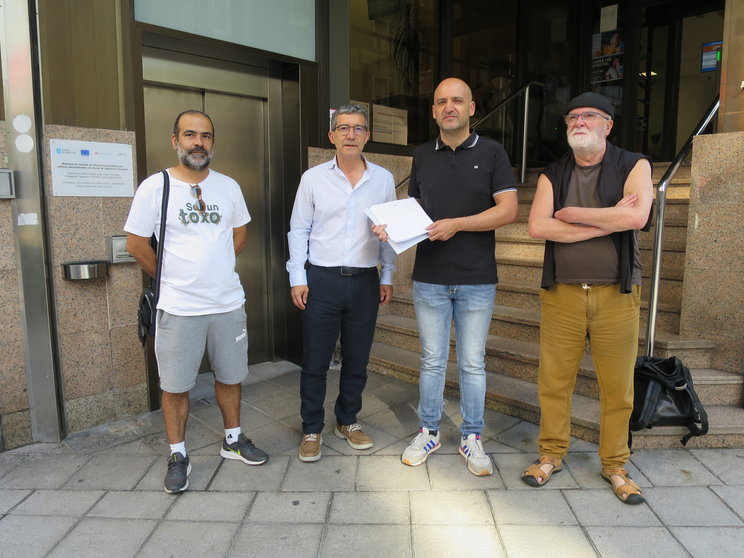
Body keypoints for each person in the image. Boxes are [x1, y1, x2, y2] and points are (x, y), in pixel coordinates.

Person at [377, 78, 518, 476]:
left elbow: (508, 210)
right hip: (430, 277)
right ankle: (429, 431)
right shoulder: (423, 155)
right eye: (441, 102)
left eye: (457, 100)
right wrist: (391, 225)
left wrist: (458, 224)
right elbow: (417, 208)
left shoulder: (492, 152)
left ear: (472, 107)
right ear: (435, 111)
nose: (449, 107)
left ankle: (472, 436)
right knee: (432, 360)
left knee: (472, 363)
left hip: (476, 277)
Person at [125, 110, 268, 494]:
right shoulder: (155, 187)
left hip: (226, 303)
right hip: (178, 307)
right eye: (190, 135)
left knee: (231, 375)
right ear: (175, 141)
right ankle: (177, 454)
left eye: (205, 136)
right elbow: (136, 245)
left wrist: (214, 269)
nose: (198, 142)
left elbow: (239, 236)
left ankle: (233, 440)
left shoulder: (229, 187)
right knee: (175, 385)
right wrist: (173, 276)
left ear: (213, 143)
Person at [521, 92, 653, 505]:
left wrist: (573, 214)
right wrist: (605, 220)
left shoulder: (634, 164)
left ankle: (615, 464)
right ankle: (550, 454)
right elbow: (537, 227)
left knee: (617, 388)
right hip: (562, 294)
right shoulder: (553, 173)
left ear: (607, 125)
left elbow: (636, 217)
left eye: (589, 116)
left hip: (617, 294)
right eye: (572, 117)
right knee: (554, 382)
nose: (579, 122)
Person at [287, 104, 396, 462]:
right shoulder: (313, 178)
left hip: (365, 281)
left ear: (367, 136)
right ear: (332, 136)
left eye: (359, 128)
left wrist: (388, 274)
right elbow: (299, 229)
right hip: (322, 280)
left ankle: (347, 420)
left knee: (356, 361)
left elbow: (389, 230)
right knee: (316, 362)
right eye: (344, 128)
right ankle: (311, 428)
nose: (351, 134)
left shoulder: (382, 178)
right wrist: (297, 276)